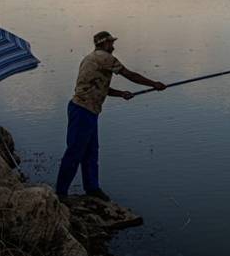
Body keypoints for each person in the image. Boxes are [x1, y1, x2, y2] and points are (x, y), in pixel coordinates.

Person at [54, 30, 165, 200]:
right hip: (83, 111)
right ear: (104, 44)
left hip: (86, 110)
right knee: (75, 152)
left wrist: (121, 94)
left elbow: (98, 86)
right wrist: (154, 84)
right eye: (111, 43)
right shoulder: (104, 58)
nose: (113, 46)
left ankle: (92, 188)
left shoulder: (89, 58)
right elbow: (129, 74)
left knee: (91, 152)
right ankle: (61, 193)